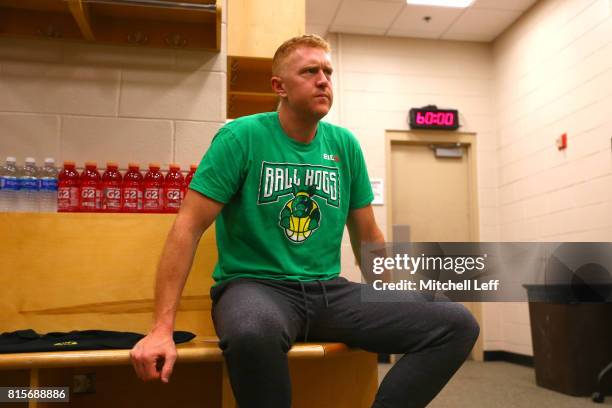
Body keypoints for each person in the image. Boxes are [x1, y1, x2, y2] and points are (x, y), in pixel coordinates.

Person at [130, 34, 479, 408]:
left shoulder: (344, 145)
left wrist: (387, 296)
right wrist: (161, 329)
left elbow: (368, 235)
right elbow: (188, 227)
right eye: (310, 71)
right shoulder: (241, 137)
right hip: (256, 288)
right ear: (279, 86)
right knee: (252, 332)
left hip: (328, 291)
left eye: (327, 71)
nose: (323, 80)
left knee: (456, 323)